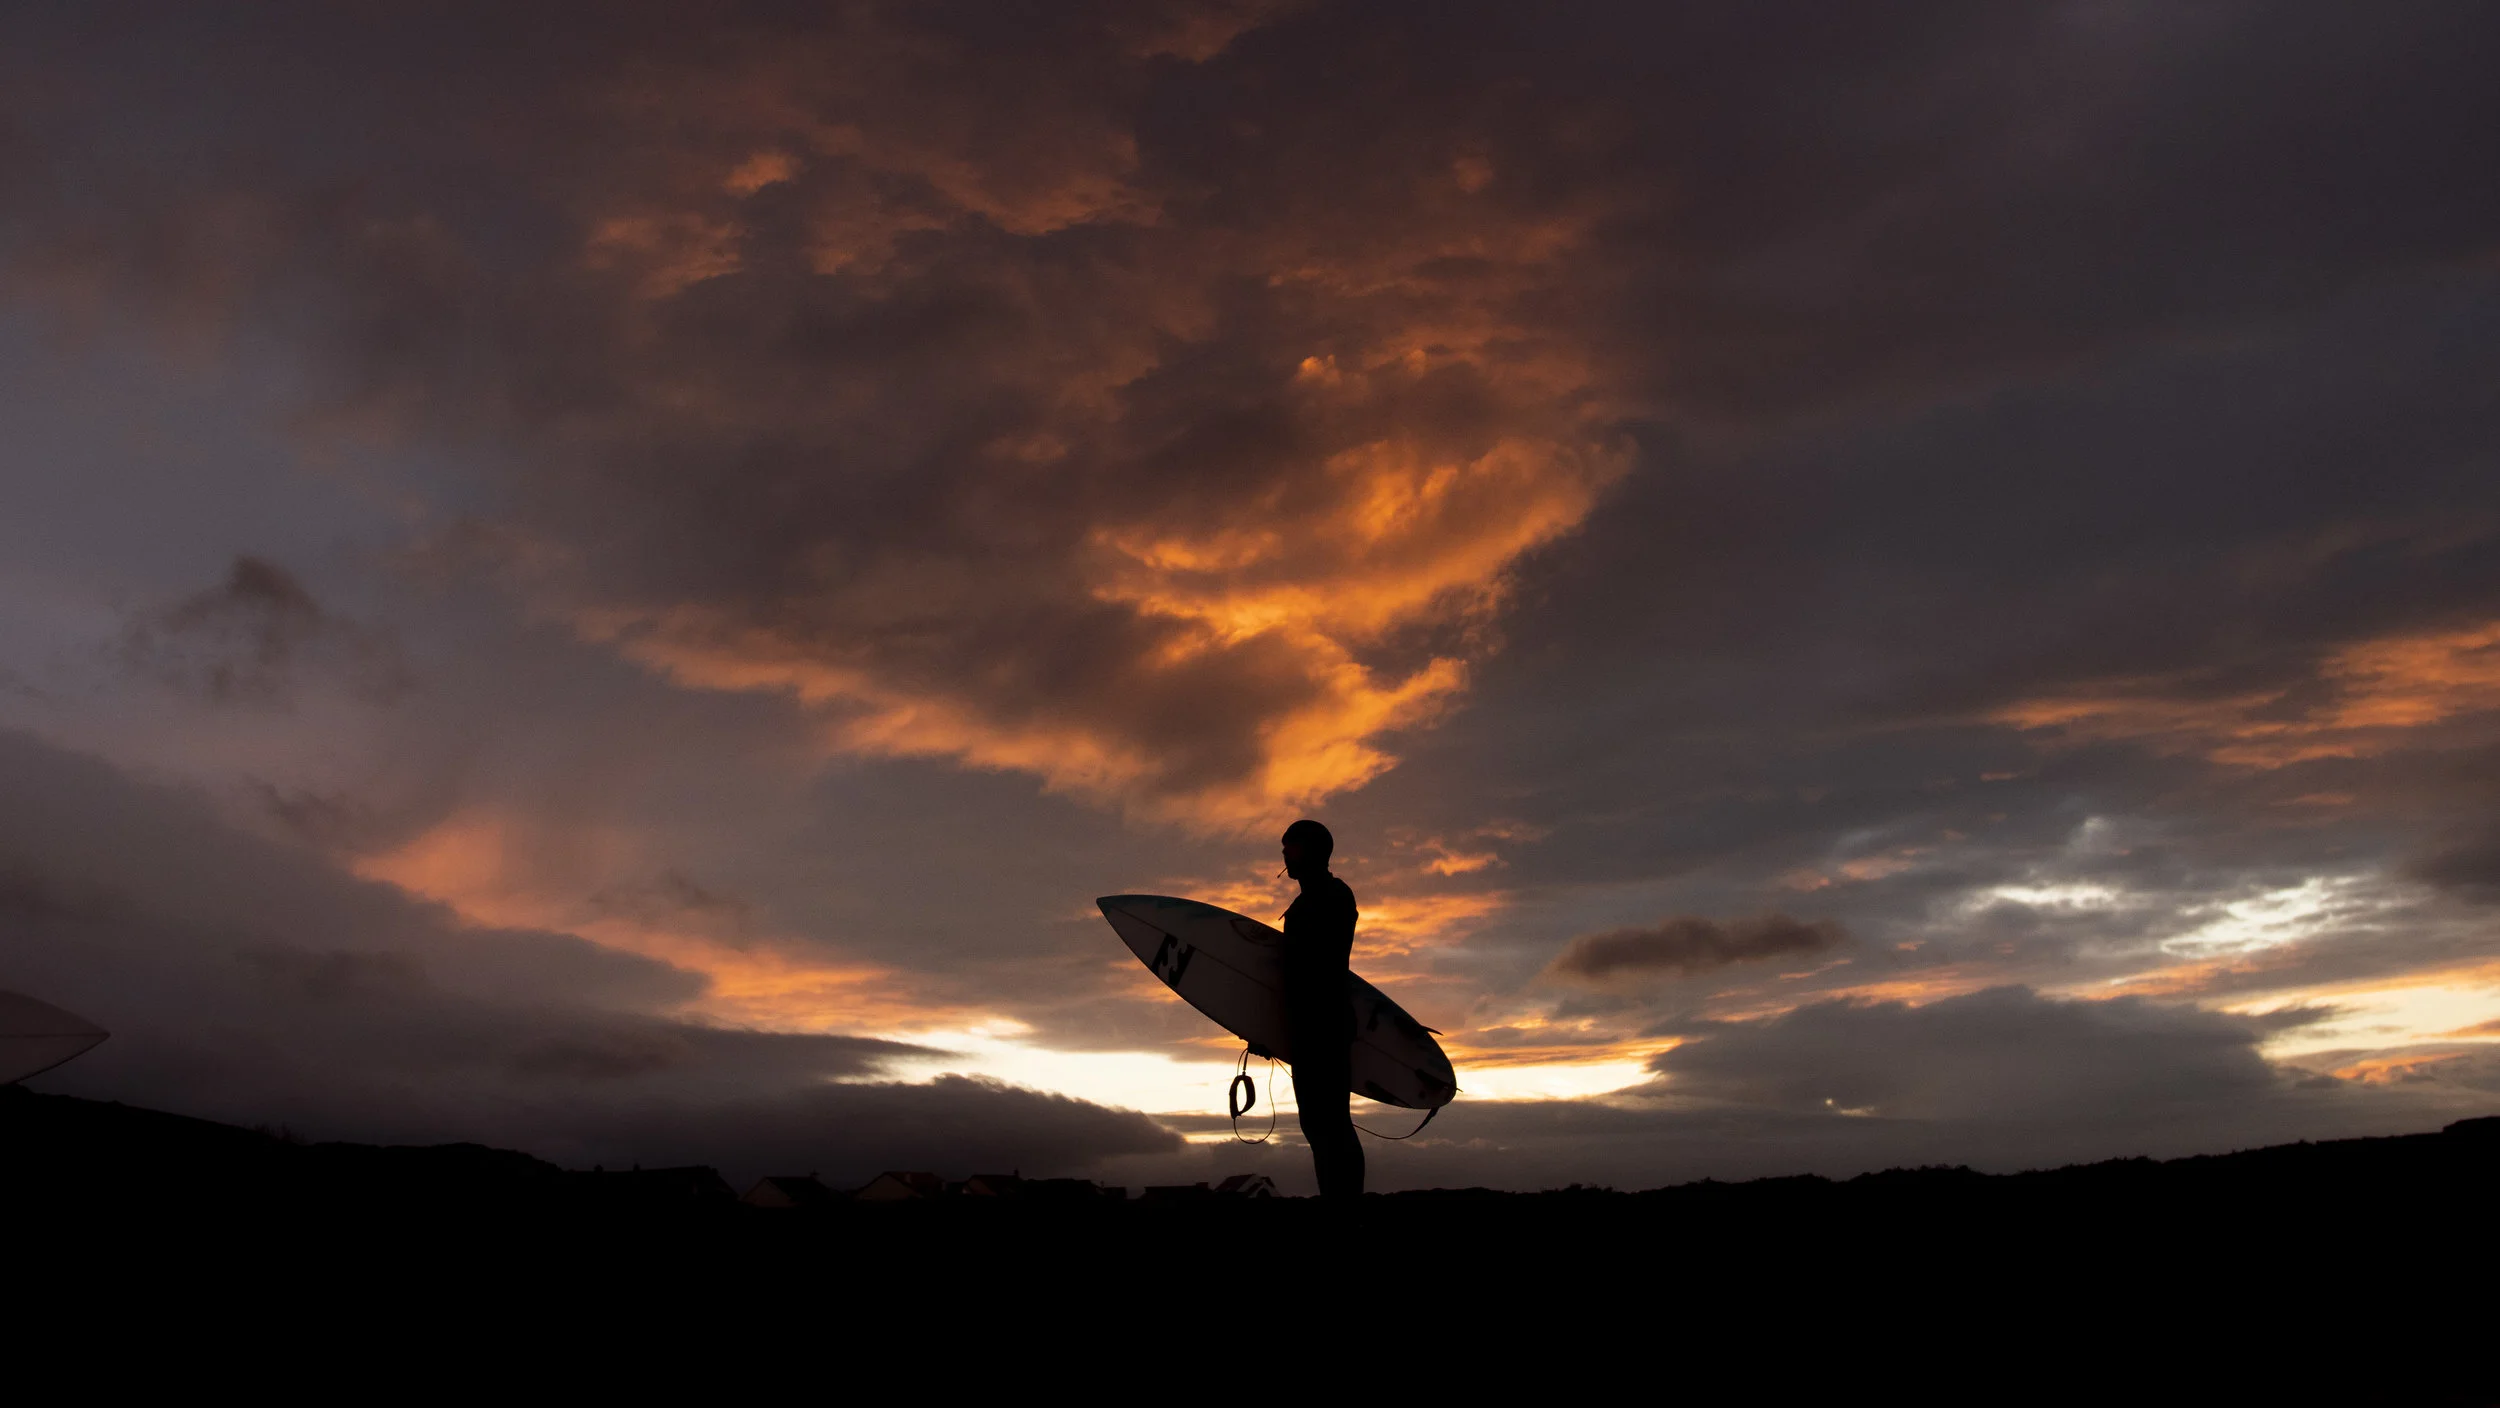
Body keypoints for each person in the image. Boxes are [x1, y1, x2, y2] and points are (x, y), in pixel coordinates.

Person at [1279, 818, 1363, 1199]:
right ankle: (1336, 1205)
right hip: (1310, 1026)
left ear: (1312, 852)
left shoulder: (1331, 897)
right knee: (1316, 1125)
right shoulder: (1309, 900)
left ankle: (1345, 1210)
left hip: (1322, 1026)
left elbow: (1312, 970)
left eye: (1291, 846)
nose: (1284, 853)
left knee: (1331, 1124)